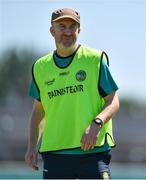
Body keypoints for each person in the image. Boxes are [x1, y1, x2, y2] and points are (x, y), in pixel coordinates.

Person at [25, 8, 120, 179]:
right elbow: (38, 111)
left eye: (72, 27)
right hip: (55, 155)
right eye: (62, 26)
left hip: (93, 152)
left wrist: (96, 123)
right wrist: (31, 146)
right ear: (52, 31)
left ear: (79, 30)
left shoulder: (94, 60)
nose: (68, 32)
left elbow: (113, 101)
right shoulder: (40, 67)